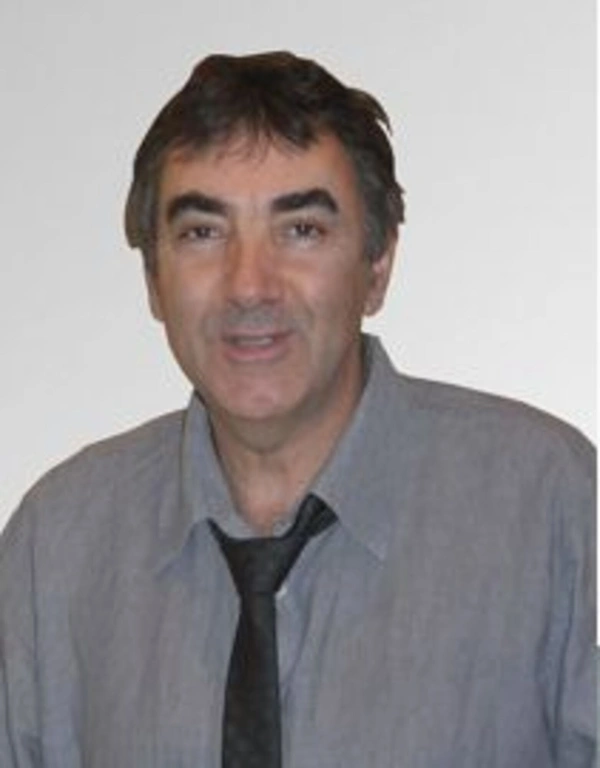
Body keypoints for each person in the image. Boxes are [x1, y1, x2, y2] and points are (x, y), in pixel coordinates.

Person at [0, 51, 595, 768]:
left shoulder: (554, 507)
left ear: (377, 266)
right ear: (154, 280)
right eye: (202, 232)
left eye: (301, 229)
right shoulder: (55, 547)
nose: (249, 285)